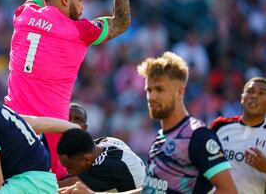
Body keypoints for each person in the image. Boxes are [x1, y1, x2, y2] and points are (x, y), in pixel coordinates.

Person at [5, 0, 130, 179]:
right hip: (51, 137)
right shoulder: (78, 30)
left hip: (10, 125)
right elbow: (121, 22)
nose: (83, 7)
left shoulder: (24, 15)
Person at [136, 52, 237, 193]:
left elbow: (229, 190)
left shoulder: (198, 136)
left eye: (159, 89)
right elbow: (150, 189)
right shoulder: (160, 138)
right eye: (149, 90)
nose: (151, 97)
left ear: (179, 92)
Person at [210, 77, 266, 194]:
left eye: (261, 93)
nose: (254, 96)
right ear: (242, 98)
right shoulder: (219, 126)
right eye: (250, 91)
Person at [57, 128, 145, 193]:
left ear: (86, 159)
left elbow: (59, 188)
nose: (68, 172)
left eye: (69, 167)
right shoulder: (104, 143)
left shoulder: (109, 166)